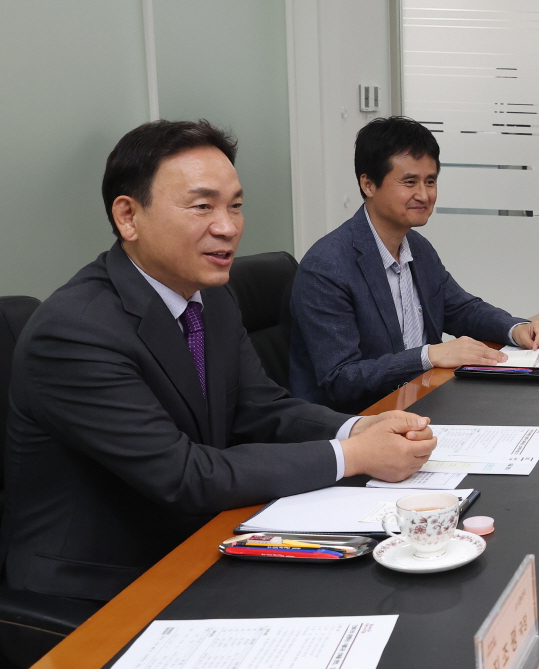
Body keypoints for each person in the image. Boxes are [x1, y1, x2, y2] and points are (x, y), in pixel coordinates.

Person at [3, 121, 437, 602]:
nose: (228, 226)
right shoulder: (75, 330)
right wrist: (352, 456)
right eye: (202, 206)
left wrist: (357, 429)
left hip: (201, 539)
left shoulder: (210, 298)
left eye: (235, 206)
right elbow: (184, 475)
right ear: (128, 217)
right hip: (98, 582)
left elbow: (261, 406)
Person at [289, 117, 539, 412]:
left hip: (424, 402)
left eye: (430, 181)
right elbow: (341, 378)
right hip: (362, 422)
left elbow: (461, 309)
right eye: (409, 182)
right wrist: (429, 355)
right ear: (368, 184)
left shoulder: (417, 247)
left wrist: (515, 329)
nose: (424, 195)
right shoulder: (327, 266)